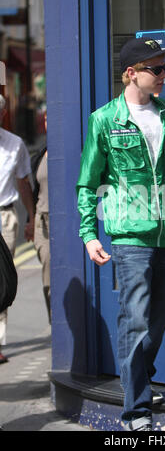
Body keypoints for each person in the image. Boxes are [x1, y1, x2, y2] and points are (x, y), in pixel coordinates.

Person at [76, 37, 165, 431]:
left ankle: (139, 380)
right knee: (134, 320)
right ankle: (136, 413)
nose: (164, 76)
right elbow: (88, 183)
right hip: (130, 236)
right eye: (156, 69)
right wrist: (89, 233)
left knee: (161, 316)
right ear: (131, 74)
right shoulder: (105, 120)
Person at [0, 94, 35, 364]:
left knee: (2, 280)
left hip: (4, 218)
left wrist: (31, 218)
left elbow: (23, 183)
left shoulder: (15, 144)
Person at [32, 114, 50, 323]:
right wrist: (31, 219)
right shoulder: (41, 154)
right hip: (41, 223)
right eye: (46, 119)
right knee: (48, 282)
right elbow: (34, 190)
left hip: (63, 224)